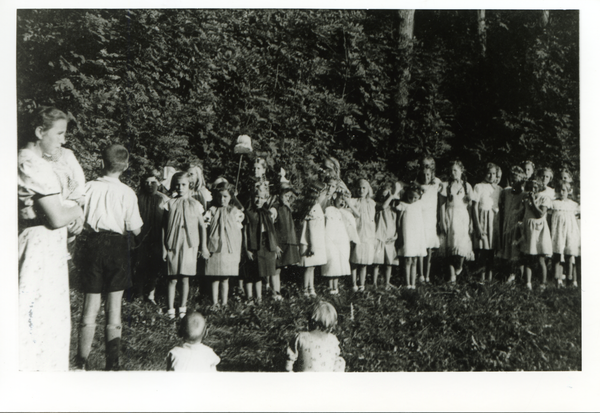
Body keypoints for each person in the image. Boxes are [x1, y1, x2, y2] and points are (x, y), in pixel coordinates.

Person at [18, 107, 84, 371]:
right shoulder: (31, 164)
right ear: (39, 132)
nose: (63, 140)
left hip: (44, 247)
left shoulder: (32, 163)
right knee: (38, 314)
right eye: (59, 133)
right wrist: (77, 210)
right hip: (39, 249)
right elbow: (56, 217)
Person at [76, 144, 143, 371]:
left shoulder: (88, 188)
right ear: (126, 166)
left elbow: (78, 216)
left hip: (92, 246)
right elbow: (135, 228)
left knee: (90, 305)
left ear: (101, 163)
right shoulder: (127, 192)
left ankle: (81, 362)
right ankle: (112, 364)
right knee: (114, 307)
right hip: (117, 248)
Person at [163, 172, 210, 319]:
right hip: (173, 243)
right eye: (177, 184)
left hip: (189, 245)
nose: (180, 187)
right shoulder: (169, 203)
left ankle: (182, 309)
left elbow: (202, 226)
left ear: (189, 185)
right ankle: (170, 310)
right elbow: (163, 227)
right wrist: (164, 247)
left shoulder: (196, 204)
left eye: (183, 184)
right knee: (172, 278)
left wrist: (203, 246)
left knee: (185, 278)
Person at [205, 180, 244, 307]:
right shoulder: (212, 210)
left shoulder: (234, 211)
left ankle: (224, 302)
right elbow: (205, 225)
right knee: (215, 275)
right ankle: (215, 302)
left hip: (228, 247)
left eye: (225, 196)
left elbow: (239, 228)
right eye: (219, 196)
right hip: (215, 245)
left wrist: (236, 199)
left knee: (225, 277)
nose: (222, 199)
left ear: (230, 197)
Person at [134, 173, 169, 303]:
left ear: (158, 183)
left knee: (154, 266)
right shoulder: (138, 198)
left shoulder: (164, 199)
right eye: (146, 182)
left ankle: (151, 294)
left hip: (157, 237)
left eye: (152, 182)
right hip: (141, 237)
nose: (149, 185)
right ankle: (138, 294)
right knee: (140, 266)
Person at [243, 183, 280, 303]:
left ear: (266, 198)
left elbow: (270, 231)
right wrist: (246, 248)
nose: (258, 200)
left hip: (265, 245)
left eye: (261, 197)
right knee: (254, 274)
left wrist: (275, 246)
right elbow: (245, 232)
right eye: (256, 196)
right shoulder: (249, 213)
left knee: (264, 272)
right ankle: (253, 297)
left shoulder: (266, 213)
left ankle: (264, 296)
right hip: (254, 246)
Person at [439, 161, 474, 283]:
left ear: (461, 171)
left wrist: (471, 223)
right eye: (451, 171)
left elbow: (470, 207)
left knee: (461, 246)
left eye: (455, 170)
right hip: (450, 216)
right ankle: (452, 275)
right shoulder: (445, 186)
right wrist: (442, 221)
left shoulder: (467, 186)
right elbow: (442, 206)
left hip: (463, 217)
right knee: (450, 247)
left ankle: (459, 267)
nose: (453, 173)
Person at [285, 301, 345, 372]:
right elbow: (337, 364)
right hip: (326, 381)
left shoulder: (301, 337)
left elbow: (289, 361)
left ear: (311, 320)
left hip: (304, 381)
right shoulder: (333, 340)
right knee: (340, 361)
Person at [520, 179, 553, 290]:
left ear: (539, 188)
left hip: (539, 230)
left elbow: (540, 214)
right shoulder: (526, 198)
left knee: (540, 259)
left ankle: (542, 283)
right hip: (529, 229)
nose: (532, 190)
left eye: (535, 187)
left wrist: (533, 202)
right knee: (528, 257)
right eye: (530, 187)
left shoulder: (544, 198)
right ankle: (528, 283)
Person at [472, 163, 502, 283]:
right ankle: (481, 279)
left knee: (491, 252)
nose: (491, 176)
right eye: (489, 173)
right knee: (483, 251)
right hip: (483, 221)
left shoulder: (498, 189)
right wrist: (478, 226)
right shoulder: (479, 187)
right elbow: (474, 207)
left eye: (494, 173)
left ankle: (489, 279)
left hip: (494, 221)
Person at [298, 181, 328, 297]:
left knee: (312, 267)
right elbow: (311, 229)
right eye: (324, 194)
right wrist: (312, 245)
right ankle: (305, 289)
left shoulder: (316, 207)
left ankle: (311, 288)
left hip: (315, 241)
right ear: (318, 195)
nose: (324, 197)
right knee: (309, 267)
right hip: (311, 242)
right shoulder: (314, 208)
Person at [346, 179, 376, 292]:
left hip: (368, 235)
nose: (361, 190)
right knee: (355, 259)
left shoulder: (371, 203)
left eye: (364, 188)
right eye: (359, 188)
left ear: (368, 189)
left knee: (364, 262)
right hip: (357, 233)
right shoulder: (353, 201)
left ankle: (362, 284)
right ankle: (353, 283)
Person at [498, 166, 527, 283]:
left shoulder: (524, 194)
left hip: (517, 225)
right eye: (512, 180)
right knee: (507, 250)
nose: (513, 182)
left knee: (516, 251)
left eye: (516, 180)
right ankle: (507, 273)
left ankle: (517, 275)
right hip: (507, 223)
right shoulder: (506, 192)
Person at [273, 181, 301, 300]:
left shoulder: (288, 207)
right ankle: (275, 292)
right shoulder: (275, 208)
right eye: (285, 195)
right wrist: (274, 244)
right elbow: (270, 228)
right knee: (277, 268)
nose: (287, 198)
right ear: (279, 195)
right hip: (280, 243)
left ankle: (289, 291)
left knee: (290, 267)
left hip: (290, 242)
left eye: (289, 196)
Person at [396, 183, 427, 289]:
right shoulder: (403, 205)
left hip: (417, 234)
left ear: (419, 197)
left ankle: (413, 284)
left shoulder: (419, 204)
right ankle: (407, 283)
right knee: (407, 259)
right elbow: (399, 221)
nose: (412, 200)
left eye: (415, 197)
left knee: (415, 260)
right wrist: (400, 235)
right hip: (407, 234)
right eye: (410, 197)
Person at [550, 180, 580, 288]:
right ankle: (557, 279)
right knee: (557, 254)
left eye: (564, 190)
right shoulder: (554, 203)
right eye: (559, 190)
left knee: (568, 255)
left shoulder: (573, 205)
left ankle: (569, 279)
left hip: (570, 232)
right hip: (557, 231)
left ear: (568, 191)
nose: (561, 192)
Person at [322, 191, 352, 294]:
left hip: (342, 241)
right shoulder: (329, 210)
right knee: (332, 262)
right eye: (341, 199)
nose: (342, 201)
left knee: (339, 263)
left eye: (344, 200)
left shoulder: (345, 212)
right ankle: (330, 287)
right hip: (331, 240)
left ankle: (336, 286)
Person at [416, 163, 442, 283]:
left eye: (428, 175)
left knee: (430, 249)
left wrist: (431, 173)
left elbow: (438, 181)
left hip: (431, 220)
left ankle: (427, 275)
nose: (425, 177)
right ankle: (420, 274)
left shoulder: (435, 185)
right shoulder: (417, 187)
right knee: (421, 246)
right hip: (420, 218)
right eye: (423, 175)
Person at [372, 182, 400, 289]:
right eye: (383, 196)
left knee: (389, 263)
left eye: (387, 196)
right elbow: (384, 206)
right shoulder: (377, 206)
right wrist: (393, 195)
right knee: (377, 263)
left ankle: (387, 282)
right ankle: (374, 283)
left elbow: (395, 223)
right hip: (378, 236)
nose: (385, 198)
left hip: (389, 238)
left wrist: (396, 234)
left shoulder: (393, 210)